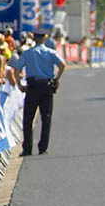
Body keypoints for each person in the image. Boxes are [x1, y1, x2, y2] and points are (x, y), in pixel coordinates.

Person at [12, 27, 66, 156]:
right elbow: (62, 64)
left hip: (32, 87)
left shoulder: (27, 53)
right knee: (46, 118)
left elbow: (16, 68)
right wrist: (57, 79)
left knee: (28, 118)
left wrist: (19, 84)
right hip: (46, 86)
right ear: (45, 39)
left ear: (34, 38)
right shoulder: (50, 52)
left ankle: (27, 148)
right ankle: (43, 147)